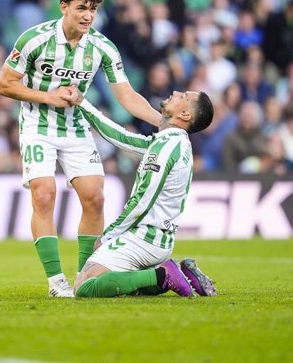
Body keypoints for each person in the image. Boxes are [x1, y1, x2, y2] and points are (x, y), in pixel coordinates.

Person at [0, 0, 161, 297]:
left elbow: (126, 95)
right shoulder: (34, 39)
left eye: (93, 9)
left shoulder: (101, 47)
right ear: (64, 7)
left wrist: (164, 124)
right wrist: (50, 96)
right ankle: (56, 282)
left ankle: (84, 277)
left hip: (75, 128)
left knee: (95, 197)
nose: (87, 15)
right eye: (81, 8)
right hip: (37, 127)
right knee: (44, 194)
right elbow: (5, 84)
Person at [59, 88, 216, 298]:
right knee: (123, 285)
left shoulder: (167, 147)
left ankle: (165, 275)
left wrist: (108, 236)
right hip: (156, 239)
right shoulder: (167, 142)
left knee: (85, 287)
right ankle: (181, 274)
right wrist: (82, 103)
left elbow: (143, 199)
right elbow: (118, 136)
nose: (177, 92)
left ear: (185, 115)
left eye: (184, 97)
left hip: (144, 238)